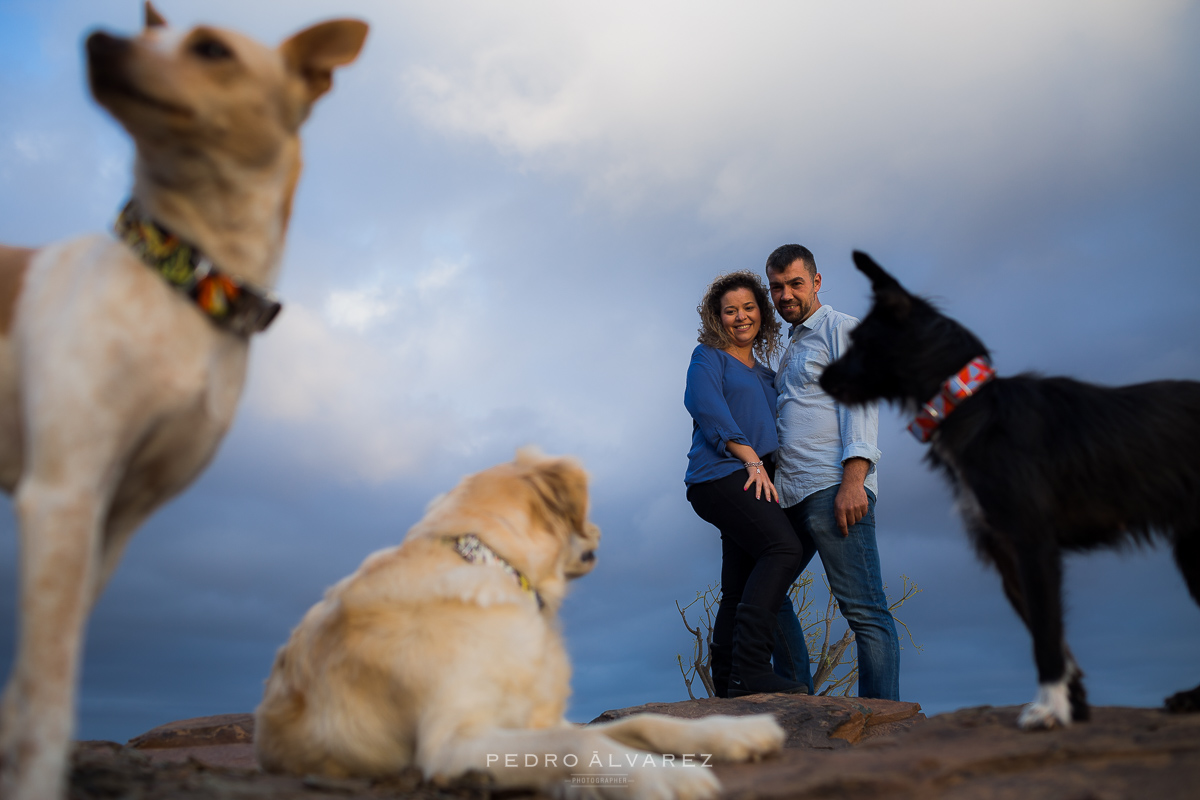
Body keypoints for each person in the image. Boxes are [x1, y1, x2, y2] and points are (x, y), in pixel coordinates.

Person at [765, 244, 901, 700]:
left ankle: (883, 721)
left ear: (816, 282)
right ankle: (798, 699)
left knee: (864, 612)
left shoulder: (841, 329)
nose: (786, 294)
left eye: (795, 283)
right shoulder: (789, 350)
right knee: (761, 593)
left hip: (832, 488)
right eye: (777, 287)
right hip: (790, 493)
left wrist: (853, 480)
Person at [684, 271, 813, 697]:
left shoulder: (767, 375)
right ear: (718, 318)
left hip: (756, 479)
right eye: (730, 311)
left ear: (761, 312)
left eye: (749, 307)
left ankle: (728, 683)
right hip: (721, 476)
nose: (741, 317)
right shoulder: (708, 357)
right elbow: (705, 406)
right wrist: (751, 459)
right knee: (782, 548)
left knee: (737, 585)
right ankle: (753, 668)